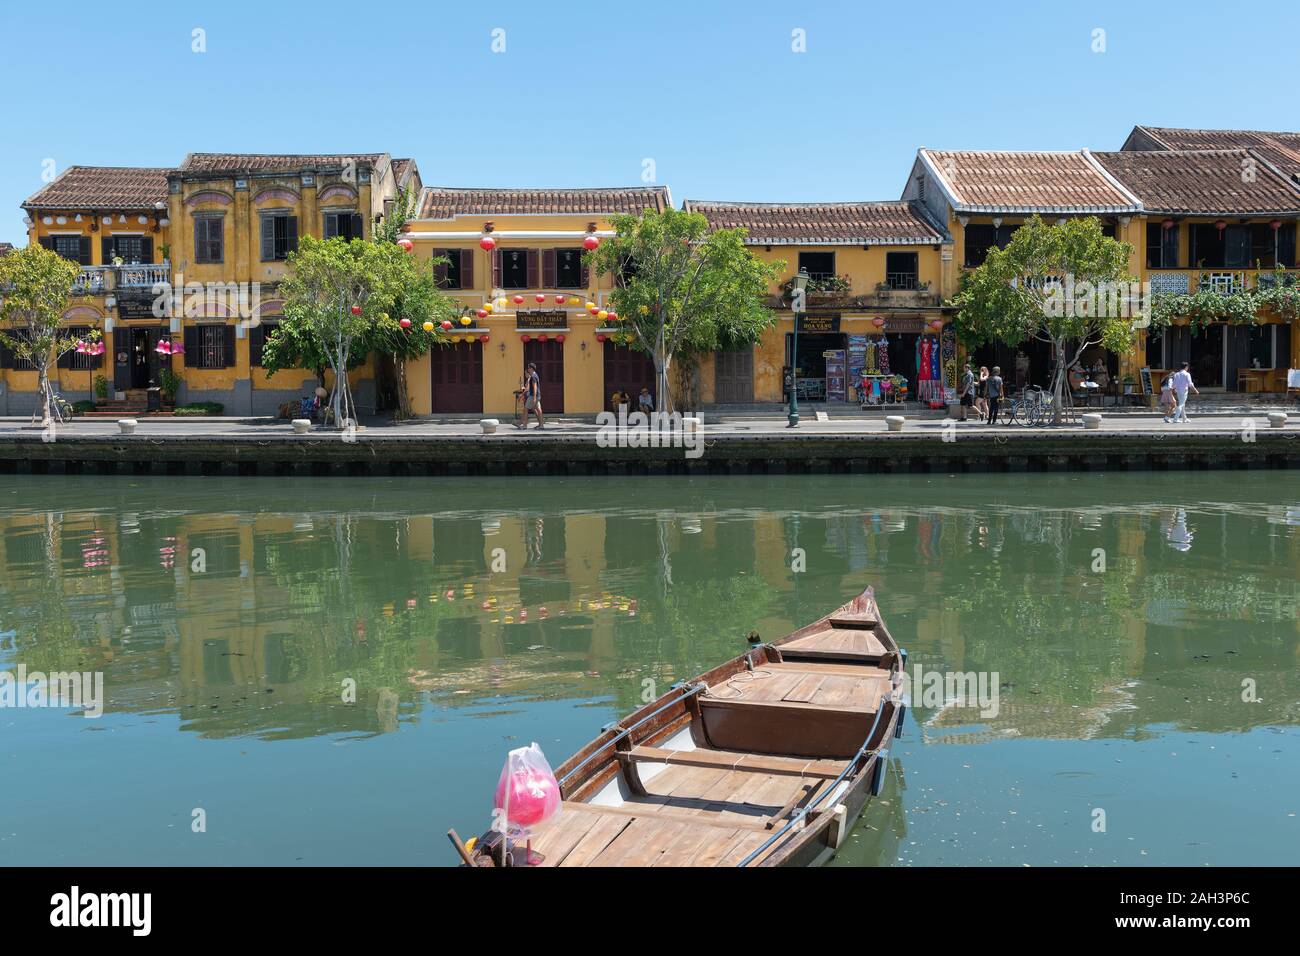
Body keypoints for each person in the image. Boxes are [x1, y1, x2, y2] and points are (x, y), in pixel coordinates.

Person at [523, 362, 544, 429]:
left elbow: (535, 387)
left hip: (533, 395)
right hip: (537, 395)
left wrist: (534, 397)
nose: (528, 369)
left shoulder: (533, 376)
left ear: (531, 369)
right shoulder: (535, 375)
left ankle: (524, 425)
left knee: (526, 409)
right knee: (538, 409)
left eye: (529, 368)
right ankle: (541, 425)